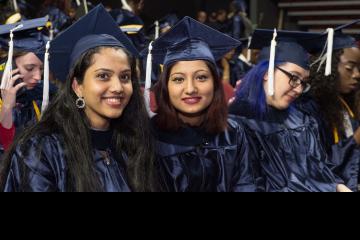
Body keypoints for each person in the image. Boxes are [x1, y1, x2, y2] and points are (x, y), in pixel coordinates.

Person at [0, 5, 158, 192]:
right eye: (103, 76)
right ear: (77, 86)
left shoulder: (136, 146)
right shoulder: (41, 152)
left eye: (125, 77)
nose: (117, 88)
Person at [229, 29, 355, 192]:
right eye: (294, 78)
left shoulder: (302, 120)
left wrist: (341, 188)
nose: (298, 89)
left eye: (303, 82)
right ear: (267, 73)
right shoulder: (236, 123)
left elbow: (322, 171)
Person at [143, 17, 258, 192]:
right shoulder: (149, 137)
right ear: (165, 86)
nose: (190, 89)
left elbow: (245, 184)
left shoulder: (233, 132)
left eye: (201, 77)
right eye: (178, 79)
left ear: (215, 83)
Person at [298, 20, 360, 189]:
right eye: (350, 68)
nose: (357, 74)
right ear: (329, 67)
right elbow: (317, 164)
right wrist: (355, 140)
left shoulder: (344, 103)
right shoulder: (309, 108)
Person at [0, 17, 53, 155]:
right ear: (10, 67)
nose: (38, 77)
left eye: (41, 69)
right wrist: (6, 109)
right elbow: (7, 156)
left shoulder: (41, 94)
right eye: (30, 68)